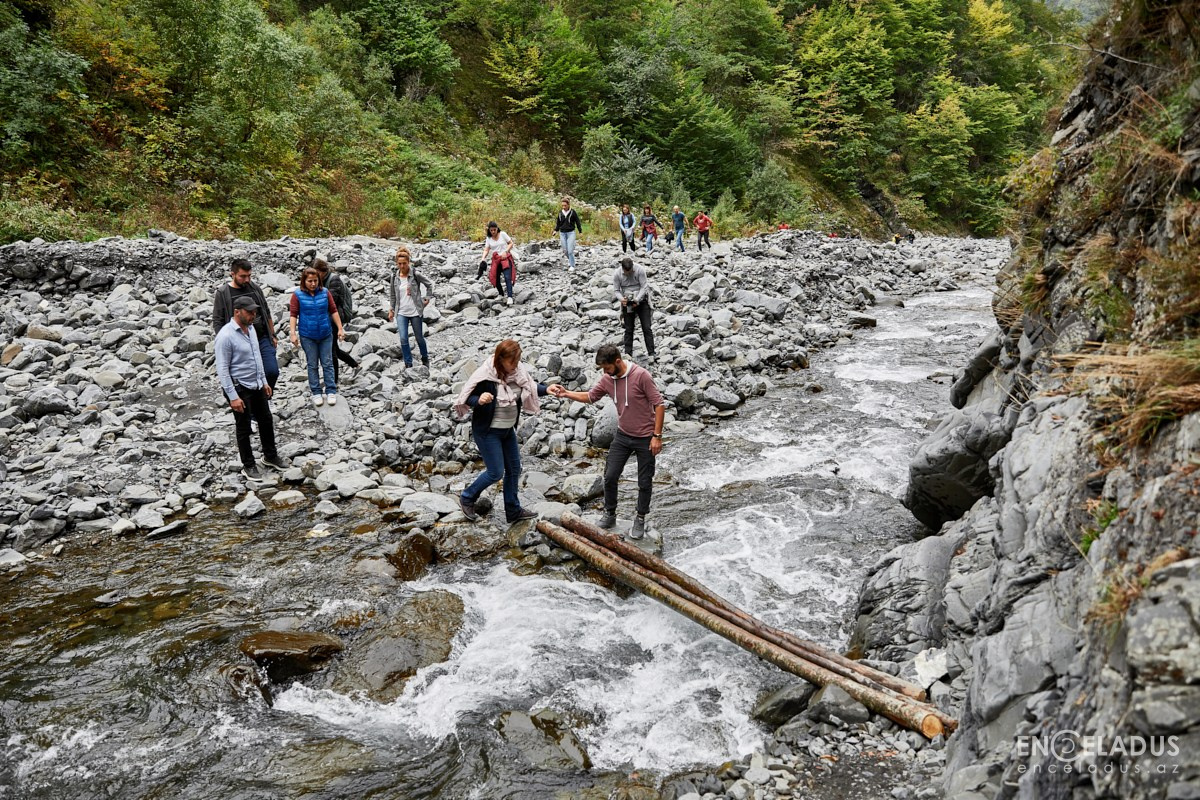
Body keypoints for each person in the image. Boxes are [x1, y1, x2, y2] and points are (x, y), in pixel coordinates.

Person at [548, 344, 664, 540]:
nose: (605, 372)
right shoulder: (608, 379)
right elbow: (591, 396)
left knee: (644, 482)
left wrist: (657, 436)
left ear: (617, 361)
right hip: (623, 435)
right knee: (610, 476)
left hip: (645, 437)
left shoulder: (641, 375)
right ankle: (610, 514)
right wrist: (566, 393)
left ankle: (640, 518)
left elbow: (659, 404)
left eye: (607, 367)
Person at [455, 339, 547, 525]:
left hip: (507, 431)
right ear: (500, 359)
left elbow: (530, 387)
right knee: (495, 472)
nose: (515, 365)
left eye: (517, 360)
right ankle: (467, 497)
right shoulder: (486, 376)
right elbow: (467, 396)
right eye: (511, 362)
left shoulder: (518, 373)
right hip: (488, 431)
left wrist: (548, 389)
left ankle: (513, 511)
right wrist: (479, 399)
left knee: (514, 469)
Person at [215, 295, 288, 480]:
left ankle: (270, 456)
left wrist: (263, 381)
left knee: (266, 419)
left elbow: (257, 357)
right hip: (238, 386)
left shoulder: (252, 329)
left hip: (255, 384)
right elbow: (222, 369)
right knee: (243, 426)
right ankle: (248, 465)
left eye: (254, 311)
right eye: (249, 312)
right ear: (237, 311)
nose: (253, 315)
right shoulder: (225, 336)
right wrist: (233, 396)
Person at [212, 258, 279, 391]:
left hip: (262, 337)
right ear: (233, 274)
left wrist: (272, 334)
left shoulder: (255, 288)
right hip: (238, 342)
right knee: (247, 376)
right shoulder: (223, 293)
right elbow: (218, 320)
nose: (247, 280)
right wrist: (223, 342)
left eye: (249, 276)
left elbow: (266, 312)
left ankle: (265, 397)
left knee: (272, 371)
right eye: (243, 276)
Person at [289, 266, 345, 407]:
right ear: (304, 281)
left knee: (327, 363)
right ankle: (316, 392)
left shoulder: (325, 293)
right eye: (310, 281)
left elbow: (333, 310)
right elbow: (293, 314)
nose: (313, 284)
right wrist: (293, 333)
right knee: (312, 364)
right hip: (308, 335)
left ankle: (331, 390)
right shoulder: (297, 295)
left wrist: (339, 328)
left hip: (326, 333)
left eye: (315, 281)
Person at [313, 257, 359, 383]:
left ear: (323, 271)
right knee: (335, 350)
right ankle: (355, 365)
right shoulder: (321, 280)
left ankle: (334, 381)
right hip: (327, 316)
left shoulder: (334, 280)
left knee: (331, 350)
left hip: (336, 316)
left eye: (318, 274)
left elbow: (330, 301)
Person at [388, 246, 433, 368]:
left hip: (415, 312)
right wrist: (391, 309)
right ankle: (408, 364)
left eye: (404, 263)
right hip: (401, 312)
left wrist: (427, 298)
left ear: (409, 262)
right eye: (399, 264)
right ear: (397, 263)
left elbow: (429, 284)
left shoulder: (415, 274)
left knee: (419, 338)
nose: (402, 266)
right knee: (403, 339)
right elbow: (393, 295)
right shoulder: (394, 277)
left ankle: (425, 358)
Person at [613, 257, 654, 360]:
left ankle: (652, 353)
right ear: (622, 269)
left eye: (630, 271)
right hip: (627, 303)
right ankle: (628, 354)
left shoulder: (640, 270)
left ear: (633, 267)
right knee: (628, 329)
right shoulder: (617, 274)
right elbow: (616, 290)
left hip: (642, 300)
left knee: (647, 327)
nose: (628, 273)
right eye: (626, 272)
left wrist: (637, 299)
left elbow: (644, 287)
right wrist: (622, 299)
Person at [479, 221, 518, 305]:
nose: (493, 232)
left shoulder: (503, 234)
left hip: (505, 258)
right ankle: (501, 294)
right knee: (495, 278)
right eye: (491, 230)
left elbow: (511, 243)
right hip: (496, 260)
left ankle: (510, 297)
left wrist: (506, 251)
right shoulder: (488, 238)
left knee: (507, 277)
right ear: (489, 230)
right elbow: (486, 249)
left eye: (494, 230)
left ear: (497, 229)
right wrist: (483, 258)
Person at [555, 197, 583, 272]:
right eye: (562, 206)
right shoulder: (560, 213)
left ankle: (572, 265)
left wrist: (580, 231)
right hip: (562, 233)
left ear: (568, 205)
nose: (564, 207)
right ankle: (571, 260)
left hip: (571, 233)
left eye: (565, 205)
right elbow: (558, 223)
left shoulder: (573, 212)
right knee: (565, 251)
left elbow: (578, 222)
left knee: (570, 250)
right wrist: (555, 230)